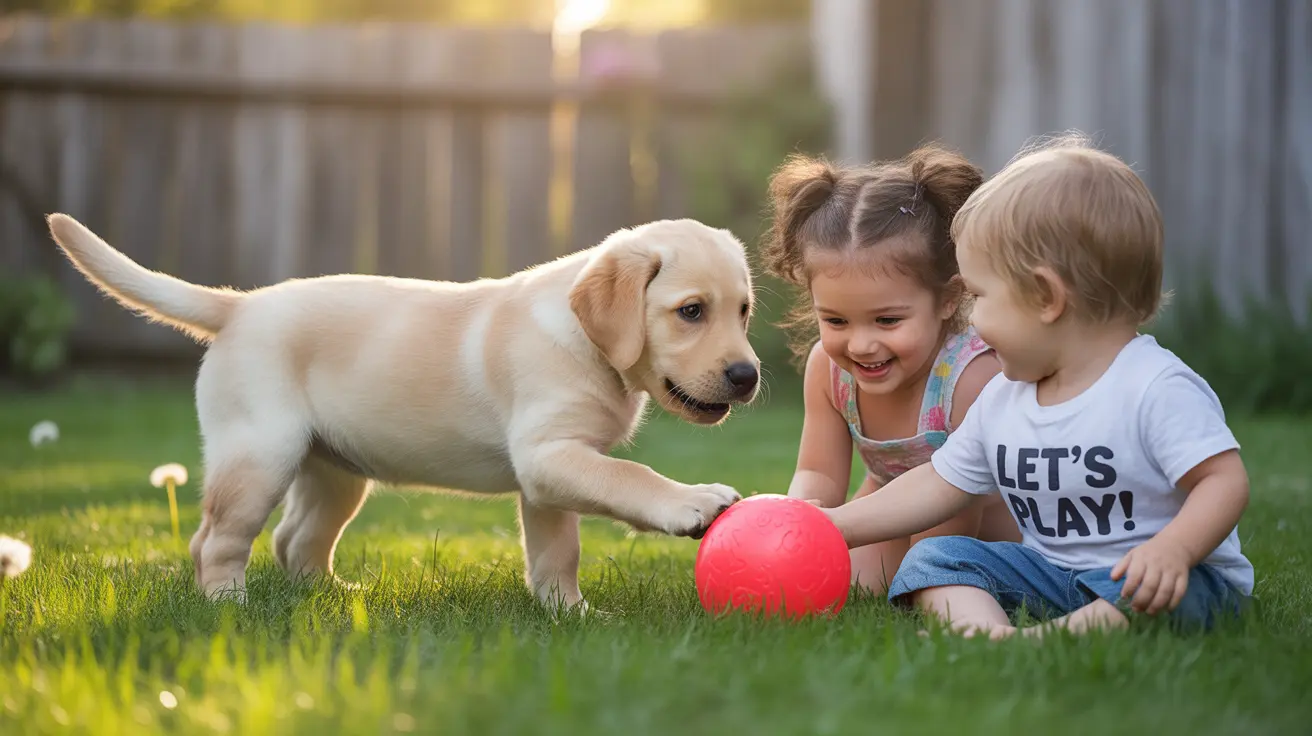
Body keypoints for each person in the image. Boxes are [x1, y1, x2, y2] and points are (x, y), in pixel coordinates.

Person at [818, 132, 1254, 638]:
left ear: (1046, 297)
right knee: (936, 556)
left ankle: (1046, 640)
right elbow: (938, 483)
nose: (972, 320)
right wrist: (836, 527)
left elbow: (1224, 481)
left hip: (1164, 576)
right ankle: (986, 635)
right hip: (1052, 575)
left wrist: (1175, 550)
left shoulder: (1154, 388)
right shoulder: (1006, 397)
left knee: (1152, 593)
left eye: (980, 296)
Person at [760, 143, 1021, 595]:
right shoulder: (828, 371)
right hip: (885, 509)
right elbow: (819, 474)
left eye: (887, 320)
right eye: (835, 320)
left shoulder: (970, 379)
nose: (860, 344)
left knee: (922, 582)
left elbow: (956, 500)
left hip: (983, 531)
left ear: (947, 299)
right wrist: (798, 526)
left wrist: (921, 574)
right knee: (836, 586)